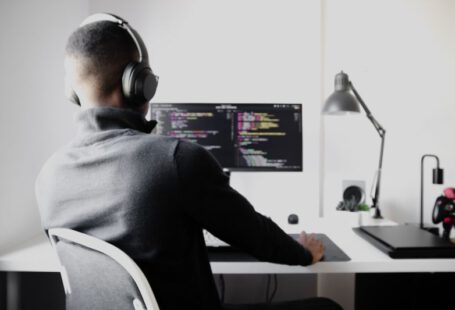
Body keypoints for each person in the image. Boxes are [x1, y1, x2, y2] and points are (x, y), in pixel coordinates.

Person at [35, 13, 342, 310]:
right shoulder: (175, 159)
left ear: (73, 92)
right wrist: (303, 252)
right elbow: (255, 235)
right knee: (326, 306)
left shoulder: (48, 178)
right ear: (139, 84)